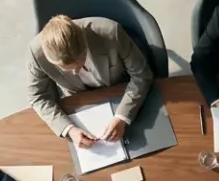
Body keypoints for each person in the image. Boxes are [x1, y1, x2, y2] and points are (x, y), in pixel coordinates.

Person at [27, 14, 154, 148]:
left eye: (80, 63)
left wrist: (122, 117)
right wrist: (69, 129)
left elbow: (142, 75)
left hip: (122, 94)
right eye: (66, 69)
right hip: (79, 102)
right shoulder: (36, 53)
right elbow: (37, 97)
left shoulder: (111, 32)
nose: (76, 72)